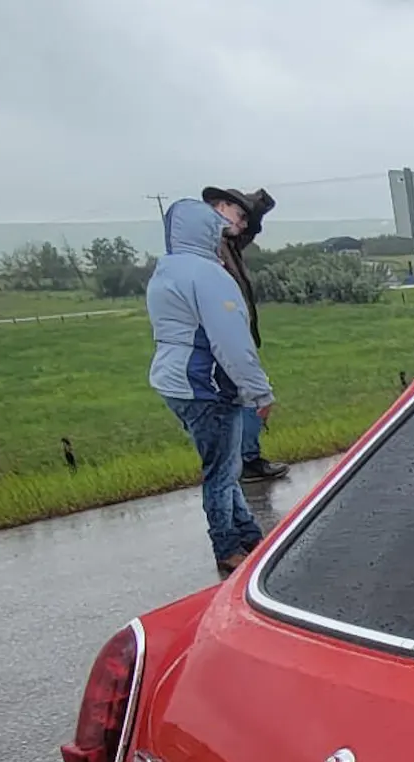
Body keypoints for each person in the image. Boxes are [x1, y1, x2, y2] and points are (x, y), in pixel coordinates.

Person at [147, 198, 277, 577]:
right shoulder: (208, 275)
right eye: (218, 231)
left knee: (224, 463)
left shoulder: (166, 271)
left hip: (176, 383)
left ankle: (249, 536)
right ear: (205, 232)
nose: (222, 239)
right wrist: (260, 392)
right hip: (206, 384)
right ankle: (228, 547)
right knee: (220, 473)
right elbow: (232, 342)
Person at [201, 185, 289, 482]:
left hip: (234, 333)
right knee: (250, 395)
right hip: (225, 336)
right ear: (221, 206)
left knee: (243, 396)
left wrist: (256, 206)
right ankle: (244, 461)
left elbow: (247, 231)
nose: (241, 225)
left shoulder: (227, 241)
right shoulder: (208, 243)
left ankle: (241, 459)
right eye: (238, 215)